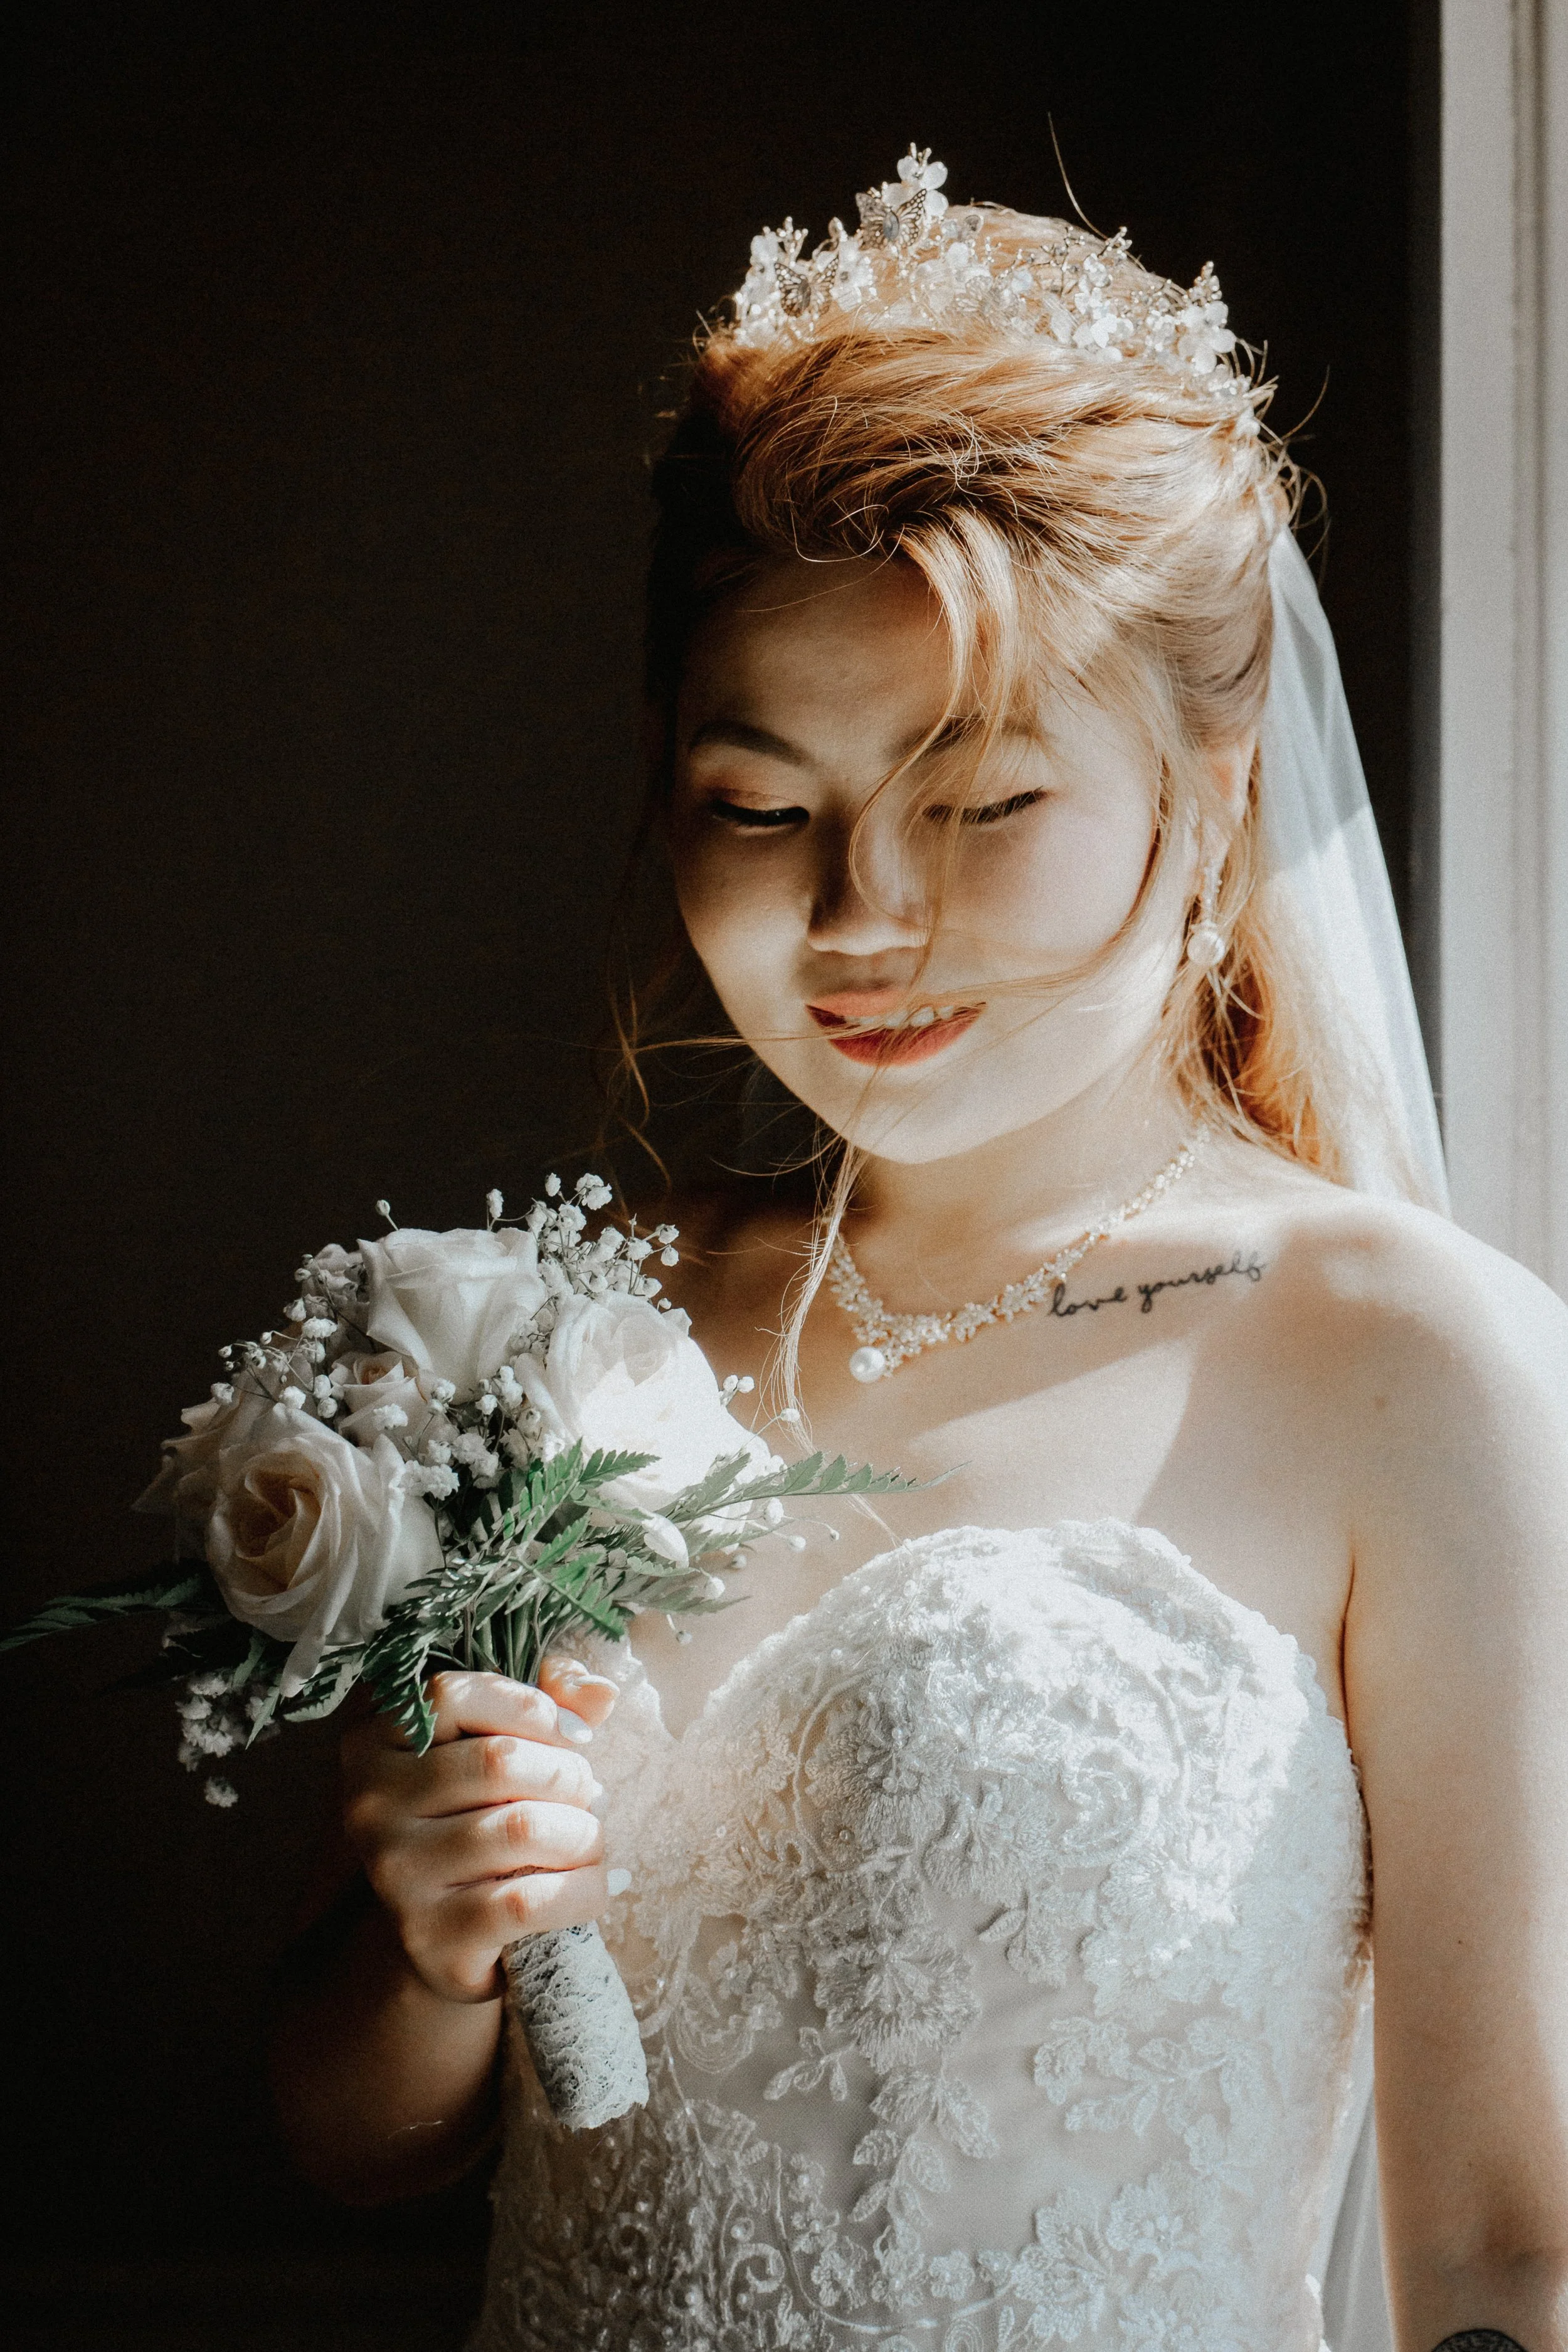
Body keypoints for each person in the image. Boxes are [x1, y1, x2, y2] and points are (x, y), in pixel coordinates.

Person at [270, 155, 1568, 2352]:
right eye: (762, 807)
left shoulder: (1404, 1359)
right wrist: (420, 1950)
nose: (863, 911)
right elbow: (363, 2143)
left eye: (977, 803)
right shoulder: (570, 1333)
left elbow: (1510, 2250)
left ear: (1209, 783)